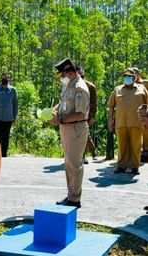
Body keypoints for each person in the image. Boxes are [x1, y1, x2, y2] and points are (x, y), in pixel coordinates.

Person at [49, 58, 90, 208]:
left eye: (63, 75)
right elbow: (64, 103)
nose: (61, 78)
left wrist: (59, 119)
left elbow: (80, 113)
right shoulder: (70, 85)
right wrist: (53, 111)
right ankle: (71, 195)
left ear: (70, 72)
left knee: (75, 164)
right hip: (67, 128)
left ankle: (75, 199)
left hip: (76, 128)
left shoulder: (80, 87)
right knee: (69, 163)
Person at [108, 68, 148, 175]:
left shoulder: (142, 89)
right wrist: (110, 121)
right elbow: (111, 106)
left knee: (136, 145)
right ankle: (121, 166)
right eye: (125, 76)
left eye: (129, 76)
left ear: (134, 77)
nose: (127, 78)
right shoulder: (117, 89)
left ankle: (135, 167)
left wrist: (146, 120)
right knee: (122, 146)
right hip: (121, 122)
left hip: (137, 122)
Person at [0, 73, 18, 157]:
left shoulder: (13, 90)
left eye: (6, 78)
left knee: (6, 138)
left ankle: (4, 155)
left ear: (9, 79)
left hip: (8, 118)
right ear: (1, 79)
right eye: (3, 78)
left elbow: (15, 104)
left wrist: (15, 116)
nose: (5, 79)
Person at [77, 67, 97, 163]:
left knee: (84, 135)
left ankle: (83, 156)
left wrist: (93, 116)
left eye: (80, 73)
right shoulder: (72, 85)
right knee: (81, 135)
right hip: (74, 114)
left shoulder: (90, 86)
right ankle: (92, 151)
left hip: (86, 115)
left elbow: (94, 103)